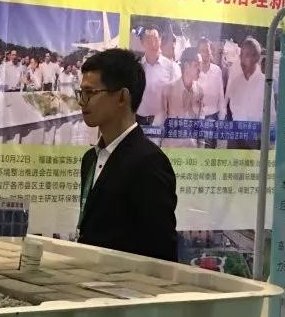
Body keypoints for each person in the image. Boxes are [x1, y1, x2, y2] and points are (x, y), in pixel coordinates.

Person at [75, 48, 178, 261]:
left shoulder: (149, 163)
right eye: (81, 93)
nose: (82, 101)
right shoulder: (90, 159)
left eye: (90, 93)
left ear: (122, 97)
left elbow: (162, 255)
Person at [225, 37, 268, 148]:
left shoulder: (264, 82)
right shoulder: (236, 78)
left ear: (257, 57)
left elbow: (270, 114)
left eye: (251, 55)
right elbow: (230, 101)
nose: (246, 59)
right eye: (244, 54)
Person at [136, 28, 179, 126]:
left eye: (155, 39)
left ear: (160, 40)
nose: (152, 43)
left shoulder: (170, 66)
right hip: (140, 118)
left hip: (161, 120)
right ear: (142, 43)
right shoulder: (137, 66)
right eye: (148, 39)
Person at [164, 47, 205, 147]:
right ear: (186, 65)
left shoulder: (199, 91)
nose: (200, 69)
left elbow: (200, 123)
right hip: (171, 148)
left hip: (191, 148)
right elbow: (159, 121)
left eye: (201, 65)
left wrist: (201, 147)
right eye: (196, 65)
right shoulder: (169, 89)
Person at [196, 38, 225, 149]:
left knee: (210, 150)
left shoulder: (217, 70)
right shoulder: (195, 71)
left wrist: (222, 117)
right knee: (196, 150)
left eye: (208, 50)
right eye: (202, 50)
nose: (206, 53)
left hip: (212, 116)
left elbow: (221, 94)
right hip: (196, 117)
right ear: (198, 53)